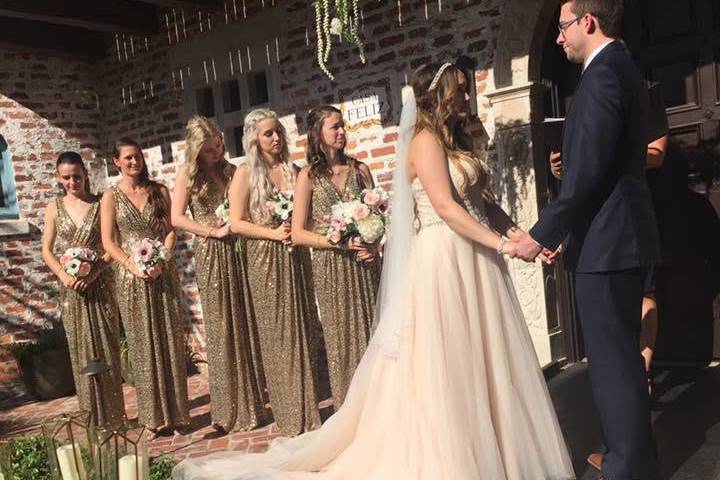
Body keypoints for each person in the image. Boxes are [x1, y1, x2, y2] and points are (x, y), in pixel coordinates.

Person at [172, 61, 574, 480]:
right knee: (452, 364)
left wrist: (528, 236)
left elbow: (483, 202)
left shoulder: (458, 137)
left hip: (479, 259)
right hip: (446, 258)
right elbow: (445, 207)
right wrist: (506, 245)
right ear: (438, 94)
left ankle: (502, 454)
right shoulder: (422, 140)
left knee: (489, 359)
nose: (468, 97)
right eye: (460, 89)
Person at [515, 1, 660, 478]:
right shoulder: (627, 69)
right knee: (621, 361)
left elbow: (590, 176)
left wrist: (541, 235)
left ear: (587, 22)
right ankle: (634, 458)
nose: (558, 39)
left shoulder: (600, 77)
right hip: (620, 235)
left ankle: (625, 469)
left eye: (562, 27)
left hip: (608, 244)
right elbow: (605, 165)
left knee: (613, 366)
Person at [227, 109, 322, 435]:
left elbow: (305, 216)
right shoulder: (244, 173)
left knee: (303, 326)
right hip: (265, 257)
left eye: (278, 132)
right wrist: (272, 234)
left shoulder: (293, 171)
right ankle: (291, 415)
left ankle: (310, 410)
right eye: (269, 133)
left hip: (295, 257)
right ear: (255, 137)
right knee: (278, 333)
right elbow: (236, 222)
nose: (276, 138)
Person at [171, 116, 266, 433]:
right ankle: (228, 406)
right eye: (210, 149)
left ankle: (253, 397)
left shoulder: (232, 171)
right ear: (197, 150)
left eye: (220, 146)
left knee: (246, 317)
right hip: (211, 252)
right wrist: (209, 232)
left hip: (238, 248)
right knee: (222, 323)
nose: (217, 152)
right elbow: (177, 217)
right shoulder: (187, 175)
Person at [290, 105, 380, 408]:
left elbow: (380, 219)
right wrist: (334, 242)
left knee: (373, 333)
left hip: (365, 265)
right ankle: (350, 411)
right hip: (331, 268)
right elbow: (298, 232)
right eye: (335, 127)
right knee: (341, 339)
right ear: (319, 134)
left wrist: (374, 248)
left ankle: (380, 408)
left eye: (343, 126)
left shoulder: (360, 170)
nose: (342, 132)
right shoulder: (308, 177)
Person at [100, 138, 190, 435]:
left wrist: (161, 258)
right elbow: (109, 242)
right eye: (127, 158)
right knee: (143, 346)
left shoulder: (158, 190)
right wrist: (132, 266)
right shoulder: (111, 197)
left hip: (163, 272)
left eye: (137, 156)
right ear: (117, 162)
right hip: (131, 279)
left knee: (169, 340)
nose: (133, 162)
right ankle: (153, 419)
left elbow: (170, 231)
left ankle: (178, 416)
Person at [41, 151, 125, 428]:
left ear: (85, 174)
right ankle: (92, 418)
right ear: (59, 178)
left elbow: (113, 245)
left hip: (99, 283)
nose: (72, 182)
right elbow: (46, 250)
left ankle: (114, 416)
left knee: (106, 345)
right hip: (71, 289)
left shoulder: (101, 204)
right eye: (66, 178)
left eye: (77, 176)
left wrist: (94, 272)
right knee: (80, 350)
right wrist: (64, 275)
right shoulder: (54, 207)